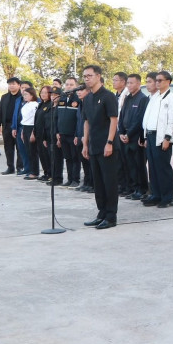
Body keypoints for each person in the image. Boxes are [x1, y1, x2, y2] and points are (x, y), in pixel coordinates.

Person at [81, 65, 121, 229]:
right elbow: (86, 122)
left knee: (109, 182)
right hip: (94, 146)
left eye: (89, 75)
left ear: (98, 76)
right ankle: (101, 213)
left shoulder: (108, 96)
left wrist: (109, 142)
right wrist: (85, 143)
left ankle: (111, 216)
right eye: (84, 76)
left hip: (107, 146)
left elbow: (113, 120)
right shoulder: (88, 98)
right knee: (98, 182)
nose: (86, 78)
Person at [141, 71, 173, 208]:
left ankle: (167, 198)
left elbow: (172, 120)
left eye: (160, 80)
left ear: (168, 82)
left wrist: (167, 137)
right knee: (152, 167)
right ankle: (156, 195)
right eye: (156, 80)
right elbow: (149, 117)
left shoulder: (171, 98)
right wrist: (146, 136)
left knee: (163, 168)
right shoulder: (155, 97)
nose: (157, 83)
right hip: (151, 135)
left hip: (162, 136)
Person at [119, 74, 149, 200]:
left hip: (135, 137)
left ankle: (142, 189)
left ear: (138, 84)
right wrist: (121, 132)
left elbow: (139, 119)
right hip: (125, 137)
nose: (129, 85)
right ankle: (133, 188)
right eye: (128, 83)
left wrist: (129, 134)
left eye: (132, 83)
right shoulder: (127, 98)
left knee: (138, 165)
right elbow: (121, 116)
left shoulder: (143, 99)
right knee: (129, 165)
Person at [57, 78, 81, 187]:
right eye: (67, 84)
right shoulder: (62, 98)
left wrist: (77, 134)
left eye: (71, 85)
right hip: (63, 133)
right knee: (67, 158)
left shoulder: (78, 99)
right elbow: (58, 117)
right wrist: (58, 132)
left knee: (75, 157)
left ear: (76, 86)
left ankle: (76, 179)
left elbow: (79, 119)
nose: (69, 87)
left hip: (73, 134)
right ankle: (70, 179)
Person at [0, 77, 24, 174]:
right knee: (8, 148)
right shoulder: (4, 97)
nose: (11, 86)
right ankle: (10, 167)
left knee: (20, 147)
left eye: (13, 84)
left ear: (19, 85)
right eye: (10, 84)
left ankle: (20, 167)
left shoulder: (22, 97)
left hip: (19, 126)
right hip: (7, 126)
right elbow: (0, 111)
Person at [41, 86, 65, 185]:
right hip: (48, 135)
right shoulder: (49, 107)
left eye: (56, 95)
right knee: (51, 157)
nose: (53, 97)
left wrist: (59, 136)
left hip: (56, 135)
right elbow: (45, 122)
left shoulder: (60, 107)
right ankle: (53, 176)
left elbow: (60, 122)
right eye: (52, 95)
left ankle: (58, 178)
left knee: (57, 158)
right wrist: (44, 138)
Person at [112, 72, 131, 196]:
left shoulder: (127, 95)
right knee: (118, 161)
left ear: (123, 82)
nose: (113, 82)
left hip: (124, 131)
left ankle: (127, 186)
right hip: (116, 130)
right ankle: (121, 185)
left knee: (126, 161)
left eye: (116, 80)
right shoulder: (116, 95)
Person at [74, 84, 94, 193]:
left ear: (88, 91)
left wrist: (85, 136)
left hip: (88, 137)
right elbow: (78, 121)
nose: (79, 92)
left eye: (81, 90)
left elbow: (90, 122)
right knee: (84, 162)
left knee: (90, 162)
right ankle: (86, 183)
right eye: (78, 90)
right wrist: (76, 135)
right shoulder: (81, 104)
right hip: (80, 136)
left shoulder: (90, 103)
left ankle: (92, 184)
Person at [20, 87, 40, 180]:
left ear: (32, 95)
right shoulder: (26, 104)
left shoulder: (35, 105)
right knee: (28, 151)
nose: (25, 96)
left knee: (33, 151)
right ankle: (31, 170)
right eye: (24, 95)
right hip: (25, 127)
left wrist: (33, 132)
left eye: (26, 95)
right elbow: (25, 119)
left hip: (32, 127)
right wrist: (23, 131)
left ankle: (35, 172)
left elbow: (36, 119)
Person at [34, 86, 53, 181]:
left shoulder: (50, 105)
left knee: (47, 155)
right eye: (42, 92)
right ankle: (46, 173)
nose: (43, 94)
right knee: (42, 155)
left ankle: (50, 174)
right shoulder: (41, 104)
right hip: (38, 134)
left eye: (45, 92)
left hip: (45, 134)